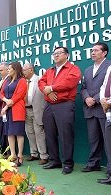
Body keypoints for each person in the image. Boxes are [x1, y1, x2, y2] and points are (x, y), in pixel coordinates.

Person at [38, 46, 81, 174]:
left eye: (59, 53)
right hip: (49, 105)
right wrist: (48, 91)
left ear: (67, 55)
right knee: (50, 134)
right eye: (54, 53)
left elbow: (70, 82)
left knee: (65, 135)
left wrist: (52, 88)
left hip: (65, 104)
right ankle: (54, 160)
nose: (56, 55)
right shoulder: (50, 70)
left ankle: (67, 163)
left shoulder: (73, 69)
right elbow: (41, 82)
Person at [81, 42, 110, 172]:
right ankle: (94, 164)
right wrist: (86, 98)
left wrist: (96, 99)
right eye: (92, 50)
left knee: (108, 141)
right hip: (90, 110)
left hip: (104, 109)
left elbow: (107, 87)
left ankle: (110, 168)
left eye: (96, 50)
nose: (93, 52)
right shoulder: (87, 70)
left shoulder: (109, 66)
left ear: (104, 53)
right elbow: (83, 88)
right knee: (93, 139)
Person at [0, 62, 27, 166]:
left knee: (19, 133)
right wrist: (6, 101)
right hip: (8, 110)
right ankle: (13, 155)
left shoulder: (22, 80)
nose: (8, 70)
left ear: (15, 69)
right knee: (9, 133)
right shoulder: (7, 80)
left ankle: (20, 156)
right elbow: (1, 93)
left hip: (17, 109)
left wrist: (7, 104)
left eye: (10, 68)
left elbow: (18, 95)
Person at [23, 63, 48, 165]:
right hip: (26, 110)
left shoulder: (40, 80)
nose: (23, 72)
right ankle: (34, 153)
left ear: (31, 70)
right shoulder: (23, 82)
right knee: (29, 133)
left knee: (39, 133)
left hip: (37, 110)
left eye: (25, 70)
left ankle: (44, 155)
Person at [98, 65, 111, 185]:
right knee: (109, 145)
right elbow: (104, 86)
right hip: (108, 113)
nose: (93, 52)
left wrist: (109, 102)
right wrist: (103, 100)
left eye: (96, 50)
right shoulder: (109, 68)